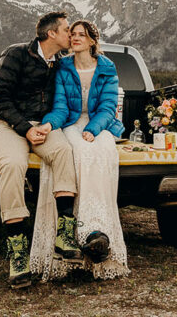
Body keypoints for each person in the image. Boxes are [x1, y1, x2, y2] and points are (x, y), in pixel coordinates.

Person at [0, 11, 81, 288]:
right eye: (66, 30)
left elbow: (62, 102)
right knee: (14, 164)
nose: (70, 34)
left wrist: (47, 127)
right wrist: (24, 128)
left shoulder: (62, 64)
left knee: (64, 152)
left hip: (43, 128)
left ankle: (64, 237)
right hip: (7, 125)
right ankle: (18, 255)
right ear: (51, 33)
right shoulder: (15, 54)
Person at [35, 19, 129, 280]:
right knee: (79, 151)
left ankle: (98, 231)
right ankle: (83, 231)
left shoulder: (107, 68)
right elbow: (62, 106)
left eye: (81, 35)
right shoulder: (63, 66)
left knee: (104, 151)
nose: (75, 38)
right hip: (70, 122)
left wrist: (95, 129)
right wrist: (48, 125)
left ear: (91, 41)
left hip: (101, 124)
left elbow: (109, 107)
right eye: (72, 34)